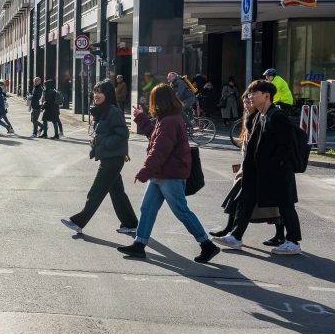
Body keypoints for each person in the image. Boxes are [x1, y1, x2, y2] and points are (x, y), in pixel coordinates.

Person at [117, 84, 219, 262]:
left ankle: (207, 245)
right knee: (147, 209)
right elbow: (155, 138)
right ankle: (139, 245)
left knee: (181, 211)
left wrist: (144, 172)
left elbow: (160, 150)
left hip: (170, 174)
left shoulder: (170, 121)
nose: (151, 103)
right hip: (161, 173)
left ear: (159, 101)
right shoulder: (167, 119)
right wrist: (141, 118)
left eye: (153, 99)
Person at [213, 79, 303, 256]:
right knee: (245, 201)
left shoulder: (276, 116)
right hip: (258, 172)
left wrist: (275, 166)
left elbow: (286, 147)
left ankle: (293, 241)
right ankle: (236, 236)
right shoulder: (261, 115)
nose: (250, 96)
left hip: (277, 173)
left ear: (266, 96)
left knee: (285, 206)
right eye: (250, 93)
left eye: (255, 93)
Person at [61, 80, 138, 236]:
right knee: (117, 192)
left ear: (108, 94)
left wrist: (102, 143)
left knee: (96, 193)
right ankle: (130, 223)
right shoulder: (102, 110)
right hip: (109, 157)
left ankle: (78, 222)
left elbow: (123, 134)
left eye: (99, 92)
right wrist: (97, 142)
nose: (96, 95)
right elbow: (107, 134)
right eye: (95, 92)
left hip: (112, 160)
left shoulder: (112, 111)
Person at [208, 91, 285, 245]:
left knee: (274, 205)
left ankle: (280, 235)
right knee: (237, 200)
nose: (247, 106)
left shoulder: (264, 118)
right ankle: (232, 231)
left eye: (249, 102)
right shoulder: (250, 119)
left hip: (261, 171)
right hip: (249, 170)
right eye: (245, 103)